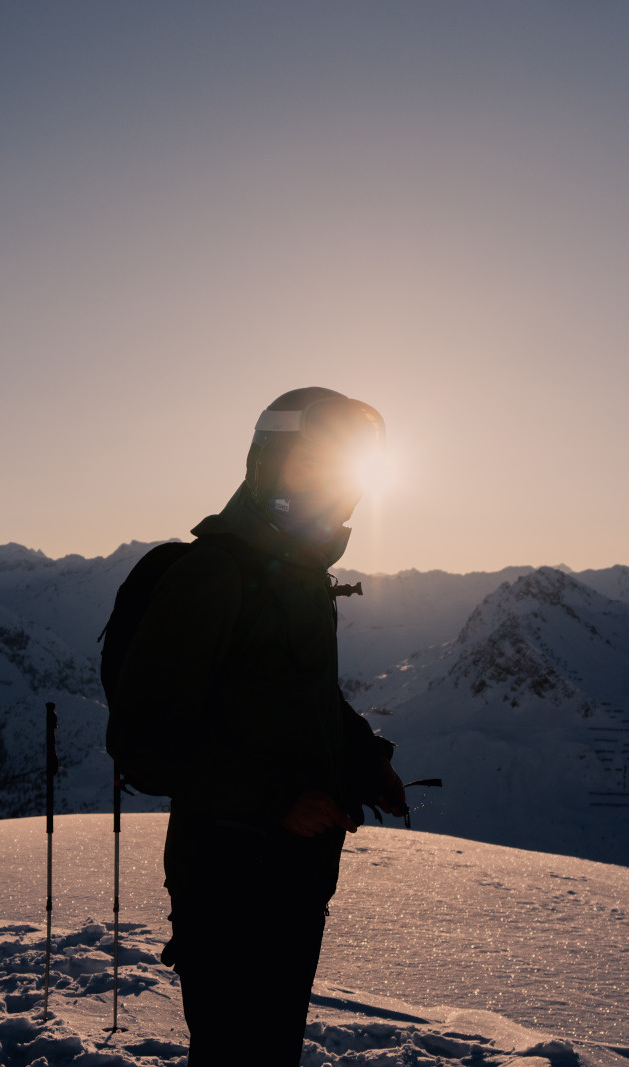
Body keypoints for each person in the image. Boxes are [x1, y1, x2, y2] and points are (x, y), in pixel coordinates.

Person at [107, 387, 407, 1066]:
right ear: (267, 463)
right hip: (227, 887)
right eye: (312, 465)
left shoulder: (297, 576)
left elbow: (302, 694)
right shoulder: (216, 575)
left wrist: (364, 761)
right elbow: (143, 739)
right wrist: (275, 799)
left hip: (292, 884)